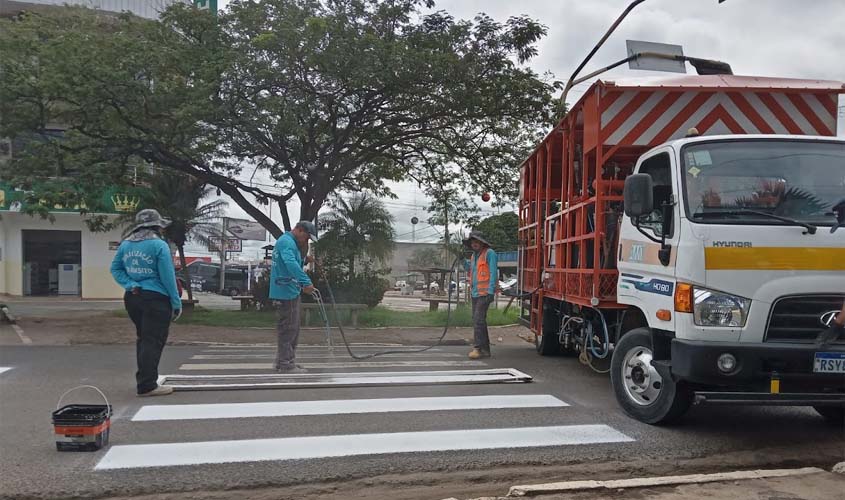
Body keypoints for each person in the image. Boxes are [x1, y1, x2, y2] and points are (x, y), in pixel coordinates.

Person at [110, 209, 182, 397]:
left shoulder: (126, 245)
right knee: (153, 341)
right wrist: (176, 303)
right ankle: (147, 385)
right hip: (156, 299)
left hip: (133, 298)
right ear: (158, 226)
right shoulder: (159, 245)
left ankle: (145, 379)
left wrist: (130, 283)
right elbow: (168, 277)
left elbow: (115, 269)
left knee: (143, 339)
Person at [270, 221, 318, 373]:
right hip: (286, 291)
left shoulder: (287, 242)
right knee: (289, 329)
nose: (306, 241)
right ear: (300, 231)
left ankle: (282, 362)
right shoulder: (287, 242)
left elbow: (290, 263)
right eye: (307, 237)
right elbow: (290, 264)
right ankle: (286, 364)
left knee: (291, 329)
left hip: (288, 289)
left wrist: (305, 260)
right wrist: (306, 282)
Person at [464, 231, 498, 359]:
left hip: (485, 294)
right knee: (479, 321)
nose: (474, 244)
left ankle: (477, 348)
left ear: (482, 242)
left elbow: (493, 273)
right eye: (472, 242)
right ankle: (485, 349)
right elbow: (470, 269)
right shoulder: (474, 256)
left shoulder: (490, 254)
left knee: (478, 320)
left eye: (476, 241)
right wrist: (462, 260)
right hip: (475, 293)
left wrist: (491, 291)